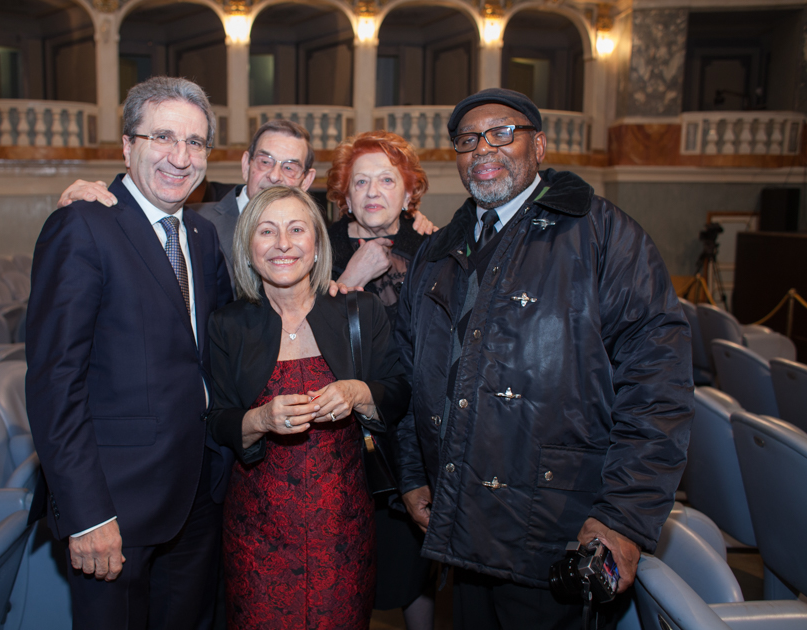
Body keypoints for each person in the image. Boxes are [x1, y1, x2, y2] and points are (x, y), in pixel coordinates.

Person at [394, 88, 694, 629]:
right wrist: (414, 474)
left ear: (540, 146)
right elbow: (411, 371)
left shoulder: (604, 234)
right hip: (460, 521)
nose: (483, 148)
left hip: (562, 528)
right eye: (467, 139)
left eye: (502, 133)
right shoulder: (436, 253)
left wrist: (624, 519)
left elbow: (658, 387)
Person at [25, 76, 234, 630]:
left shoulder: (203, 235)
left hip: (197, 496)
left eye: (195, 143)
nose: (180, 157)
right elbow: (55, 384)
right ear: (127, 144)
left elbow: (214, 353)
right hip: (115, 506)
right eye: (162, 137)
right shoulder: (83, 226)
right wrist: (87, 514)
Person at [206, 185, 411, 629]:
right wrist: (258, 419)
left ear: (317, 245)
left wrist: (358, 392)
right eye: (267, 231)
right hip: (256, 538)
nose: (283, 243)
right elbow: (215, 420)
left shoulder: (359, 310)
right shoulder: (227, 325)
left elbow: (398, 392)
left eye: (297, 229)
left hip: (343, 535)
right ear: (248, 247)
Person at [56, 120, 437, 291]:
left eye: (289, 167)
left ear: (306, 181)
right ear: (245, 165)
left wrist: (411, 219)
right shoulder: (194, 224)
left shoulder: (315, 236)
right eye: (265, 162)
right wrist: (94, 205)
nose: (274, 175)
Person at [325, 130, 435, 629]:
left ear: (409, 192)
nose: (372, 191)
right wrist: (353, 273)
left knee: (416, 568)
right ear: (344, 195)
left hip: (414, 431)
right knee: (344, 571)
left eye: (386, 180)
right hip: (339, 432)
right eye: (360, 181)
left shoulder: (436, 249)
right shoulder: (317, 244)